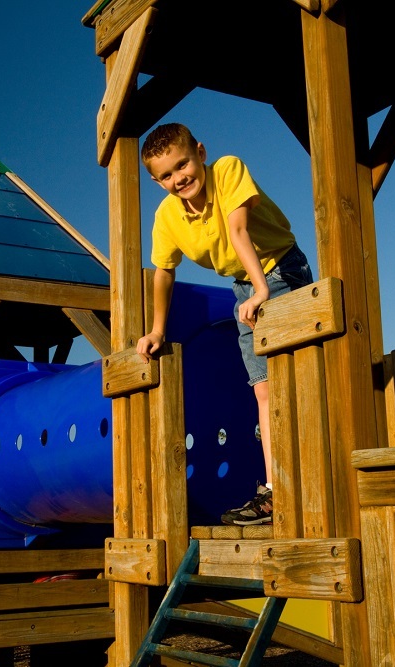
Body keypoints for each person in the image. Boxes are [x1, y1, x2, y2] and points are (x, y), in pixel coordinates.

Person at [135, 122, 313, 526]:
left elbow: (237, 229)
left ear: (200, 151)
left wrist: (263, 289)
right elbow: (163, 273)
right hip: (244, 286)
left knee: (281, 385)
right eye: (166, 175)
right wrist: (158, 330)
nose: (179, 178)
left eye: (183, 164)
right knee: (263, 391)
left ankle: (288, 489)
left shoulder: (227, 170)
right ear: (155, 180)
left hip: (281, 269)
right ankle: (275, 492)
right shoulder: (167, 217)